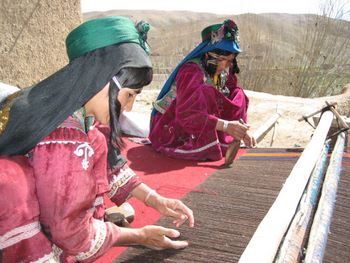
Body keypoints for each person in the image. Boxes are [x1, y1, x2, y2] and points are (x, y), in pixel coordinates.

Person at [0, 16, 194, 262]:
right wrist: (139, 236)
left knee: (98, 143)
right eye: (130, 94)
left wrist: (155, 200)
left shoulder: (65, 113)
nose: (131, 107)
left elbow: (108, 164)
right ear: (103, 79)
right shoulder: (66, 140)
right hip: (27, 237)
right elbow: (70, 234)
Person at [149, 19, 256, 161]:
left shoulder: (225, 71)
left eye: (230, 60)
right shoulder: (191, 71)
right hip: (173, 124)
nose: (226, 66)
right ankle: (203, 143)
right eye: (223, 59)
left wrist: (240, 129)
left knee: (239, 94)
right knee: (207, 93)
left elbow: (230, 102)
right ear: (208, 55)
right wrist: (226, 126)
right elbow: (187, 114)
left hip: (203, 121)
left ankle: (227, 138)